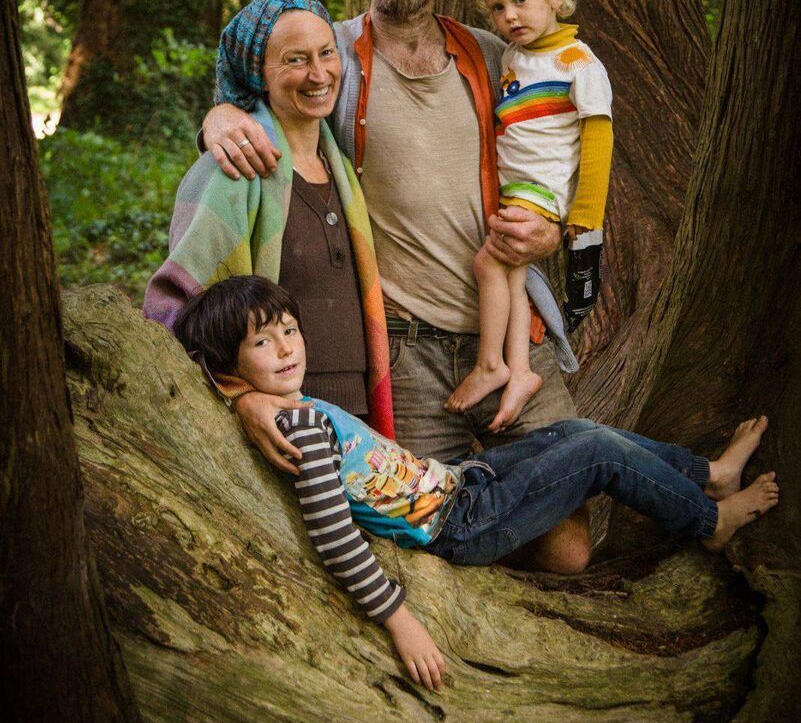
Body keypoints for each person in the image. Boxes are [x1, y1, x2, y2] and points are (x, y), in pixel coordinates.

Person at [202, 0, 593, 574]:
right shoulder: (331, 61)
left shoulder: (497, 54)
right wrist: (220, 114)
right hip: (407, 357)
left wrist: (556, 230)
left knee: (567, 551)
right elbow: (262, 86)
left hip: (513, 342)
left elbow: (568, 139)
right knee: (423, 540)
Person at [174, 275, 779, 693]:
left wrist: (246, 396)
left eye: (288, 329)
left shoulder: (282, 407)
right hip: (461, 523)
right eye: (261, 342)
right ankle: (710, 521)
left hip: (462, 484)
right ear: (229, 364)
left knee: (572, 429)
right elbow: (332, 537)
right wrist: (400, 618)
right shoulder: (296, 428)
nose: (285, 348)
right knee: (593, 452)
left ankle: (709, 475)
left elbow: (228, 384)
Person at [144, 0, 394, 436]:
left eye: (326, 54)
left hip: (355, 421)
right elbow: (173, 312)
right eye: (296, 60)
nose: (318, 73)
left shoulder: (342, 163)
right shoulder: (230, 173)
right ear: (258, 74)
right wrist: (242, 398)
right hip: (280, 424)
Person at [446, 0, 613, 429]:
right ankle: (520, 370)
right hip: (515, 188)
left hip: (542, 189)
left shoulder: (577, 62)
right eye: (498, 8)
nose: (509, 16)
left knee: (488, 264)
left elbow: (598, 139)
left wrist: (584, 216)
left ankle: (490, 363)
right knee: (513, 276)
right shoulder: (515, 58)